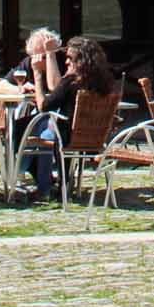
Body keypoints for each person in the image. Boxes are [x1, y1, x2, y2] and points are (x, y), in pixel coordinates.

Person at [21, 36, 116, 200]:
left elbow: (43, 106)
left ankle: (25, 178)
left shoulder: (70, 82)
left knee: (22, 129)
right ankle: (51, 183)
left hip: (67, 138)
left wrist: (37, 74)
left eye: (69, 59)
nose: (66, 62)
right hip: (97, 139)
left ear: (81, 60)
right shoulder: (105, 82)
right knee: (37, 128)